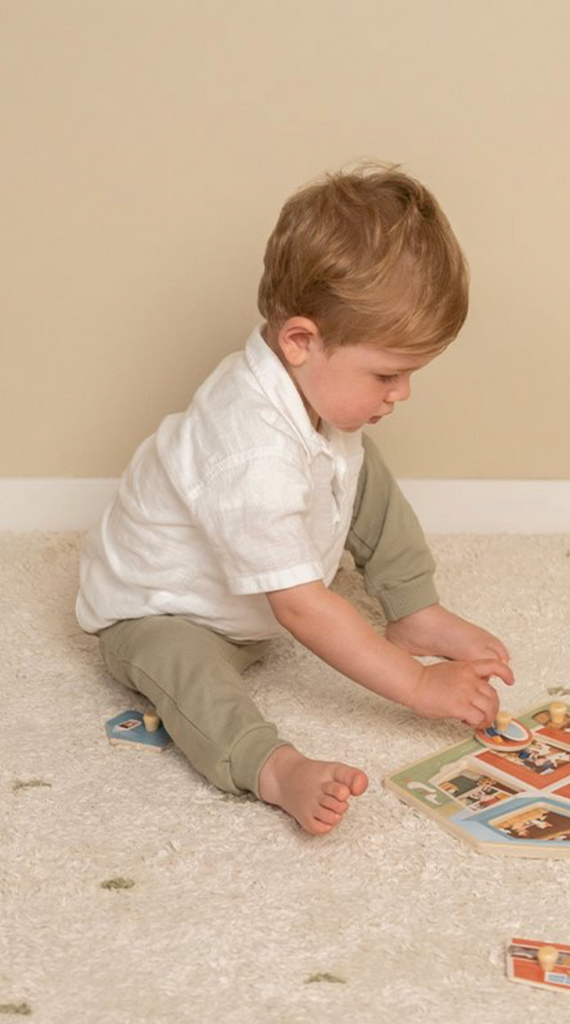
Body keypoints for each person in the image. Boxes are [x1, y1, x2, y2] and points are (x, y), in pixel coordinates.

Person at [76, 162, 514, 834]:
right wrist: (417, 685)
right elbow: (304, 610)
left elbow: (348, 474)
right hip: (166, 612)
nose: (401, 394)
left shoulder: (312, 395)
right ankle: (272, 768)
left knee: (360, 465)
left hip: (252, 596)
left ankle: (414, 607)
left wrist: (405, 607)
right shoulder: (250, 453)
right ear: (301, 341)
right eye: (387, 374)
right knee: (189, 675)